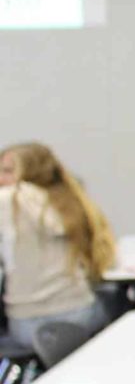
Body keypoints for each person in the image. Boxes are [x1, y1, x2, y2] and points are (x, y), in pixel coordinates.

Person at [0, 143, 115, 347]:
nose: (1, 178)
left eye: (7, 171)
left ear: (31, 171)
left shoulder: (11, 199)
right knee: (114, 299)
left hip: (25, 323)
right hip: (79, 314)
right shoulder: (69, 200)